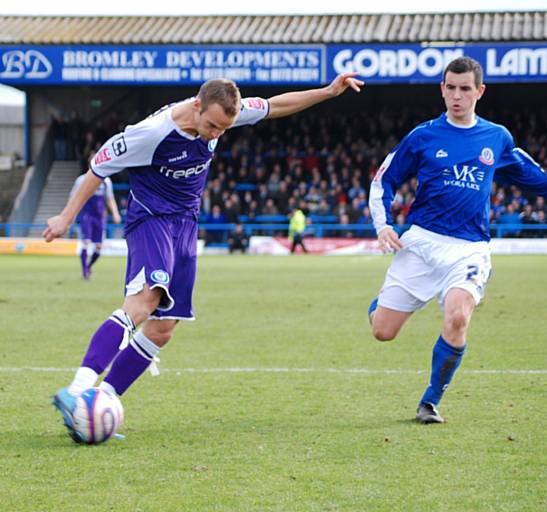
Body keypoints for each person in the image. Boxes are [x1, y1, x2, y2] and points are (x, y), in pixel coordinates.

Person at [43, 73, 363, 442]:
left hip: (186, 225)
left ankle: (101, 402)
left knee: (164, 328)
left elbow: (276, 106)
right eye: (211, 125)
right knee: (144, 302)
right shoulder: (150, 134)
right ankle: (77, 388)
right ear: (196, 105)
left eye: (223, 129)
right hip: (151, 219)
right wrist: (66, 217)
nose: (215, 134)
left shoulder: (227, 114)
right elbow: (96, 169)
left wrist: (327, 91)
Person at [367, 57, 547, 425]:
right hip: (420, 243)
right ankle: (382, 303)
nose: (457, 96)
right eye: (450, 88)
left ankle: (429, 402)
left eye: (465, 89)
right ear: (442, 89)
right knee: (382, 332)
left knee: (458, 317)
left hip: (468, 248)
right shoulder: (423, 135)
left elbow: (532, 175)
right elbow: (384, 180)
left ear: (480, 91)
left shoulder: (496, 137)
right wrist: (383, 225)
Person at [70, 171, 122, 279]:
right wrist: (71, 214)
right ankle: (84, 271)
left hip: (100, 217)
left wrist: (115, 213)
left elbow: (110, 199)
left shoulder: (106, 181)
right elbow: (73, 197)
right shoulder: (81, 180)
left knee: (99, 247)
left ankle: (89, 266)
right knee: (86, 242)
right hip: (87, 215)